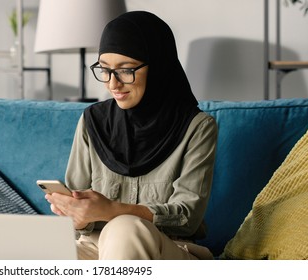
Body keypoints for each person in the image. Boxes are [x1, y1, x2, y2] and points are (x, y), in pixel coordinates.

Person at [45, 11, 218, 260]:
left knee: (124, 227)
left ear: (158, 66)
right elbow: (79, 215)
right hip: (95, 248)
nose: (112, 84)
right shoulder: (92, 121)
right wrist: (75, 213)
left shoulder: (197, 127)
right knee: (28, 252)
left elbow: (186, 218)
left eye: (125, 71)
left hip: (167, 249)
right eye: (104, 70)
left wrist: (113, 210)